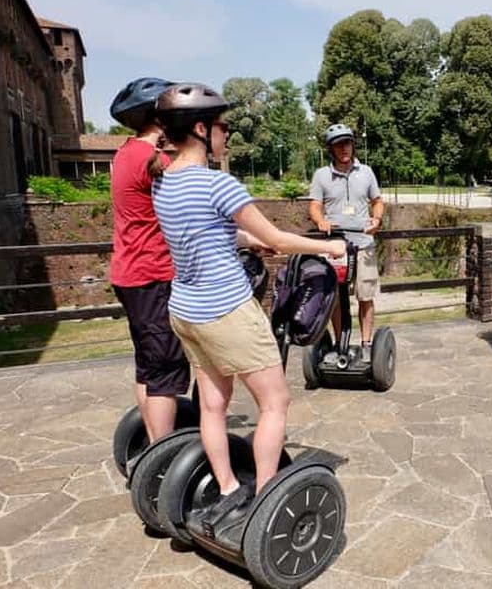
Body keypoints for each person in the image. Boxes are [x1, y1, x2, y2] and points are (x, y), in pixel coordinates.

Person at [149, 83, 346, 518]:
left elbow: (200, 233)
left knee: (213, 404)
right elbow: (279, 238)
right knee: (275, 402)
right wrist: (328, 247)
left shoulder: (162, 182)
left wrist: (246, 241)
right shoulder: (220, 184)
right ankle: (266, 499)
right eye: (223, 127)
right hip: (227, 310)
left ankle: (228, 487)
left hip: (186, 311)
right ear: (201, 130)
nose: (227, 135)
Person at [108, 77, 191, 443]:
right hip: (152, 274)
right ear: (159, 116)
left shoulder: (124, 153)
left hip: (129, 274)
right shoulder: (154, 161)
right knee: (165, 369)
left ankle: (152, 447)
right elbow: (189, 208)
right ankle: (162, 456)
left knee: (147, 366)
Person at [308, 123, 384, 362]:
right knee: (336, 299)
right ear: (331, 148)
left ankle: (367, 344)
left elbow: (377, 201)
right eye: (339, 144)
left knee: (365, 295)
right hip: (335, 247)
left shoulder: (366, 172)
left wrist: (376, 219)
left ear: (353, 145)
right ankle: (340, 344)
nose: (344, 148)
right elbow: (315, 206)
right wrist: (320, 221)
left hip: (363, 244)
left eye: (347, 143)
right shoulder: (322, 175)